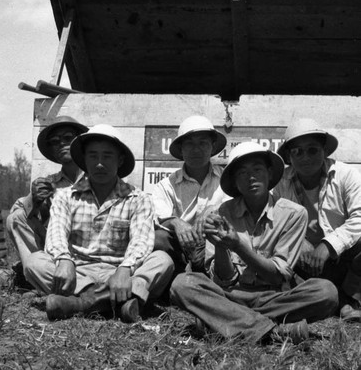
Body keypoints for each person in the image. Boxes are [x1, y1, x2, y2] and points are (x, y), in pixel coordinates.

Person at [170, 142, 338, 344]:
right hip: (229, 295)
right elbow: (223, 280)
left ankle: (222, 320)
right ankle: (273, 331)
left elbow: (278, 276)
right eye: (242, 173)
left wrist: (238, 246)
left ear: (269, 173)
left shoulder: (292, 214)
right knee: (182, 284)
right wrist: (222, 246)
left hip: (274, 297)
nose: (251, 177)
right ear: (235, 182)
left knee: (326, 292)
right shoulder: (221, 214)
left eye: (257, 169)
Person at [24, 124, 175, 322]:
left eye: (107, 156)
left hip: (119, 272)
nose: (100, 164)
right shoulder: (65, 196)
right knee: (34, 262)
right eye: (93, 156)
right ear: (84, 160)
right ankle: (117, 302)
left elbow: (141, 241)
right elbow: (56, 232)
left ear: (120, 160)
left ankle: (80, 304)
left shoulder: (138, 198)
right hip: (78, 273)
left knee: (163, 261)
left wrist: (125, 269)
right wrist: (64, 259)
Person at [274, 118, 361, 322]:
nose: (305, 157)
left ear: (324, 151)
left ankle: (346, 298)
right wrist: (297, 241)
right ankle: (339, 302)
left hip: (342, 257)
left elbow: (359, 217)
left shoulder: (346, 175)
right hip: (301, 260)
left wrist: (328, 245)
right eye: (297, 151)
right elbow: (273, 219)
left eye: (312, 150)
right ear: (288, 156)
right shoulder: (279, 183)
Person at [6, 116, 88, 277]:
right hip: (59, 250)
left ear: (80, 143)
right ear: (51, 150)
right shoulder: (50, 183)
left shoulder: (98, 178)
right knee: (16, 217)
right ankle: (36, 275)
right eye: (55, 141)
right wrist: (35, 202)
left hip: (91, 249)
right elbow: (19, 210)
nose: (62, 144)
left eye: (68, 138)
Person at [151, 115, 227, 272]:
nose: (196, 149)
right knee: (158, 238)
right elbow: (158, 216)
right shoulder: (166, 185)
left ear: (212, 147)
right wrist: (176, 223)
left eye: (203, 143)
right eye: (190, 144)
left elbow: (236, 207)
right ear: (181, 149)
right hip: (181, 248)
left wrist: (212, 210)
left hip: (215, 245)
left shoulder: (227, 180)